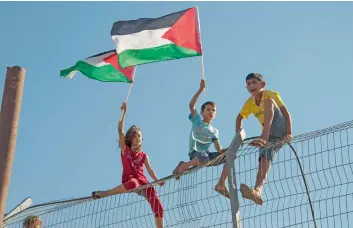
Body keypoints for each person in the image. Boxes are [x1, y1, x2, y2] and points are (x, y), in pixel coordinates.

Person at [92, 102, 165, 228]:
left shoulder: (143, 155)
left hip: (144, 183)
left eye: (140, 137)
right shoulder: (125, 150)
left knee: (159, 207)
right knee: (133, 183)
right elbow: (120, 131)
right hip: (131, 180)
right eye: (135, 136)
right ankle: (105, 193)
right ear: (130, 138)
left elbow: (150, 170)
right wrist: (123, 113)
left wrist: (157, 180)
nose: (138, 139)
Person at [235, 72, 292, 205]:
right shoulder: (249, 103)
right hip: (269, 135)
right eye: (248, 84)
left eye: (254, 82)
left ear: (263, 84)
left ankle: (264, 137)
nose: (251, 86)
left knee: (268, 101)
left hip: (280, 126)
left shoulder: (270, 94)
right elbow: (239, 118)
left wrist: (289, 133)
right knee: (263, 160)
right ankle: (257, 191)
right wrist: (238, 137)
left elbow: (286, 113)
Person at [173, 79, 230, 198]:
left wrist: (222, 152)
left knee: (231, 156)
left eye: (213, 110)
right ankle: (182, 166)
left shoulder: (214, 131)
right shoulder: (197, 120)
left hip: (206, 154)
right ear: (202, 112)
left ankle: (221, 184)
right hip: (195, 152)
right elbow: (191, 105)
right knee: (203, 158)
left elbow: (217, 144)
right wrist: (200, 90)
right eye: (208, 109)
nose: (211, 111)